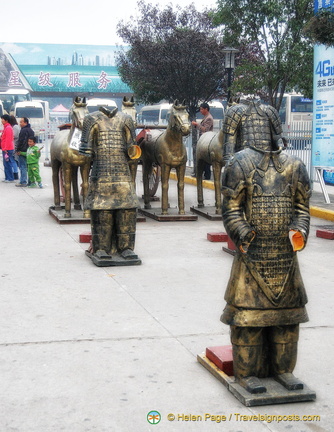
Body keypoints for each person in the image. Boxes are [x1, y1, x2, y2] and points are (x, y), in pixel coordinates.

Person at [221, 100, 311, 395]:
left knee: (287, 321)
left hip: (285, 257)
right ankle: (247, 374)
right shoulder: (239, 164)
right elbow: (231, 209)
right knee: (248, 321)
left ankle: (284, 370)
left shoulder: (295, 166)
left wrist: (300, 230)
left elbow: (301, 206)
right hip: (252, 255)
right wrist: (244, 235)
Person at [79, 106, 141, 266]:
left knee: (126, 210)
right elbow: (85, 151)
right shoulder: (91, 119)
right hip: (101, 172)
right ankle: (101, 248)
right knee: (101, 212)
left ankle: (126, 248)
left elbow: (133, 151)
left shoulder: (126, 119)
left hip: (122, 173)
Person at [191, 102, 213, 179]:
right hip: (203, 140)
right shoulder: (205, 117)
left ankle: (207, 175)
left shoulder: (209, 118)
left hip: (206, 141)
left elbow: (205, 129)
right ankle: (200, 173)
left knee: (206, 159)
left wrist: (197, 124)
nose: (200, 111)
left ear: (206, 109)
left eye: (201, 109)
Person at [15, 117, 34, 187]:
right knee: (29, 166)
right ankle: (30, 181)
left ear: (25, 123)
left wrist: (18, 150)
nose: (20, 123)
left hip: (23, 151)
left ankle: (23, 181)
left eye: (21, 122)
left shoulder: (23, 130)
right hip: (30, 151)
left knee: (23, 166)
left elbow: (21, 141)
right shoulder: (31, 130)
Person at [0, 114, 16, 182]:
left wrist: (6, 148)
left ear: (6, 120)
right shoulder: (6, 127)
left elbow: (8, 139)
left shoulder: (8, 128)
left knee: (8, 163)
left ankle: (10, 178)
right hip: (5, 148)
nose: (1, 120)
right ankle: (7, 177)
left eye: (3, 119)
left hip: (7, 149)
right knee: (5, 164)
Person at [8, 116, 20, 180]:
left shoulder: (15, 127)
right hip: (14, 144)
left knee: (13, 160)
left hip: (14, 145)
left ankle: (15, 173)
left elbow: (14, 135)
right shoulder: (16, 126)